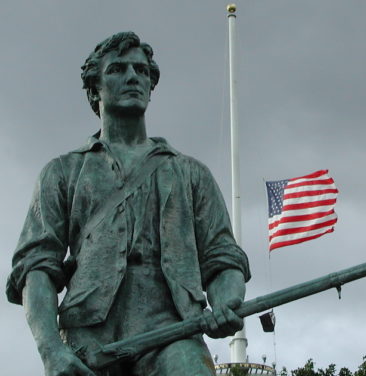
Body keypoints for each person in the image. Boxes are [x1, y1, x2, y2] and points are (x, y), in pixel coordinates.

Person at [6, 31, 250, 376]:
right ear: (95, 89)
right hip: (88, 339)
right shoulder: (63, 172)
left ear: (151, 86)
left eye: (141, 70)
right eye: (117, 69)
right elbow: (35, 268)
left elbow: (223, 258)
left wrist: (226, 302)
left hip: (172, 332)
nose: (133, 76)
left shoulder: (191, 173)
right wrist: (51, 351)